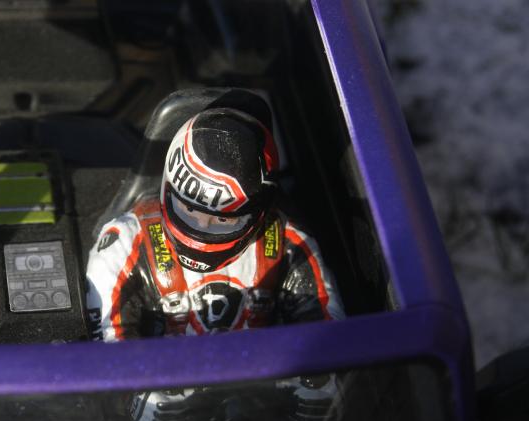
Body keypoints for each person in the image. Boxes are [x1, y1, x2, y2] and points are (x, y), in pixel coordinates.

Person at [85, 107, 344, 343]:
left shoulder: (289, 243)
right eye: (189, 209)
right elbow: (109, 359)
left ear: (257, 213)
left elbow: (330, 343)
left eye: (222, 219)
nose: (201, 227)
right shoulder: (123, 244)